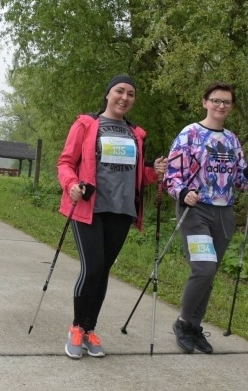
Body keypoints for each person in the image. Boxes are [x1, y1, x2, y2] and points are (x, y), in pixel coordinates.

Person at [57, 74, 167, 359]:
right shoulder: (87, 124)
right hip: (88, 208)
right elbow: (66, 162)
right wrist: (71, 185)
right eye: (120, 91)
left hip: (121, 211)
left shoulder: (135, 134)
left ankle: (90, 329)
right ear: (108, 94)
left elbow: (136, 176)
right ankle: (76, 328)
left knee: (103, 272)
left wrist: (155, 170)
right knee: (92, 268)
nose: (125, 97)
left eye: (131, 93)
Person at [164, 81, 248, 354]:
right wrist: (183, 192)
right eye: (216, 100)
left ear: (231, 107)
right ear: (205, 102)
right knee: (204, 268)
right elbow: (171, 176)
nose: (221, 106)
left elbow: (240, 182)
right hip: (196, 211)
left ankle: (195, 327)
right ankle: (183, 322)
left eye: (227, 102)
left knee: (211, 272)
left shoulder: (232, 140)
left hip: (224, 213)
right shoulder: (190, 134)